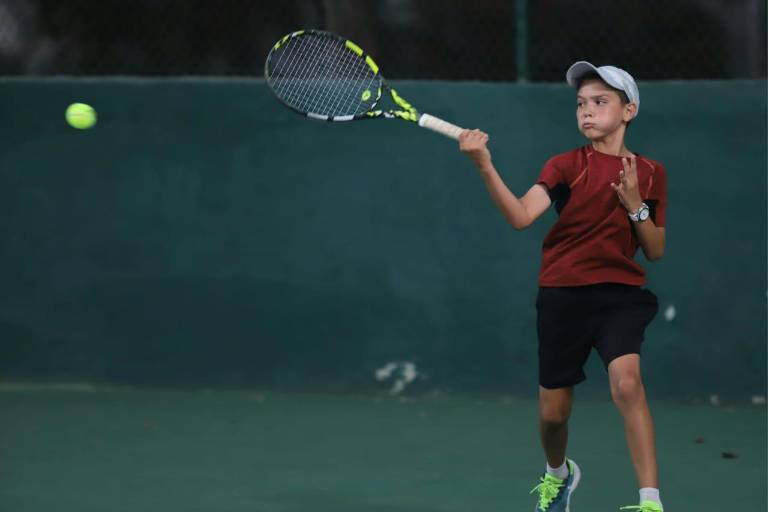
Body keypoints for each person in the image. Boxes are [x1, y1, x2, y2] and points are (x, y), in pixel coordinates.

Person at [458, 61, 668, 512]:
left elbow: (655, 249)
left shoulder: (650, 173)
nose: (587, 112)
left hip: (620, 296)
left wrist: (634, 205)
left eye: (600, 102)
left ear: (628, 110)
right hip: (562, 295)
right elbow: (519, 216)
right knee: (554, 416)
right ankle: (559, 473)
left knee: (627, 383)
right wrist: (484, 165)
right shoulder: (565, 165)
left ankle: (650, 502)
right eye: (580, 104)